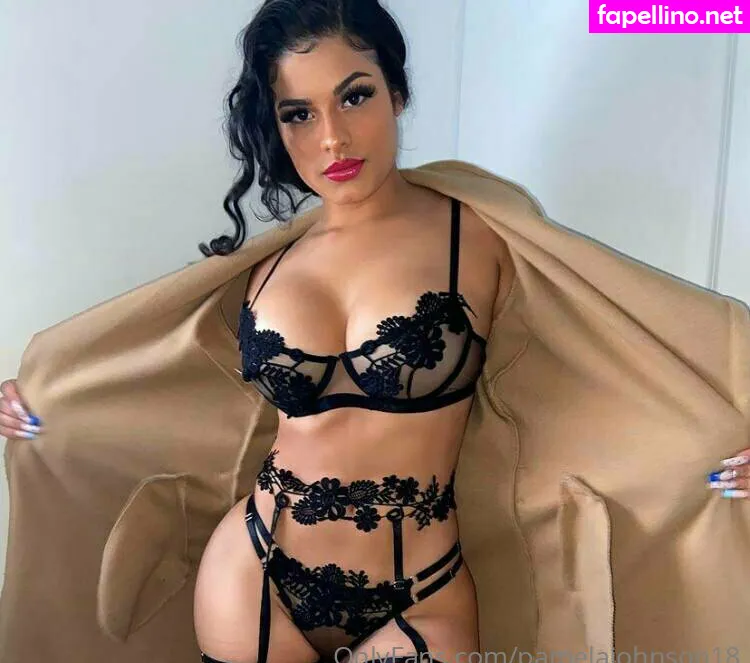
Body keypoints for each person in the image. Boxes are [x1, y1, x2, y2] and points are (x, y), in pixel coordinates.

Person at [3, 1, 749, 662]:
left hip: (421, 591)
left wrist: (724, 421)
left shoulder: (483, 236)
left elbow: (624, 349)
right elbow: (153, 384)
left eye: (354, 95)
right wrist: (48, 402)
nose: (332, 137)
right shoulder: (264, 268)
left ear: (397, 92)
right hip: (254, 569)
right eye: (298, 113)